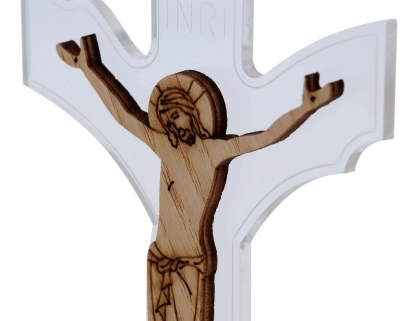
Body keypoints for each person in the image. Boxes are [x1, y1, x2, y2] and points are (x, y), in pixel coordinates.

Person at [57, 34, 344, 321]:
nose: (170, 123)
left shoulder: (214, 151)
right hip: (159, 256)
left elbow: (266, 137)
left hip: (192, 263)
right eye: (165, 117)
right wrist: (88, 68)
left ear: (192, 113)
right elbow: (123, 115)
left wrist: (304, 109)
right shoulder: (165, 147)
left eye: (175, 115)